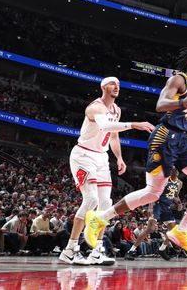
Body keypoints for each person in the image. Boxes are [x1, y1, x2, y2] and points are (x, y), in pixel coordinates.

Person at [85, 48, 187, 254]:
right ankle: (100, 218)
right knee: (152, 193)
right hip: (164, 137)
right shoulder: (178, 80)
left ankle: (181, 230)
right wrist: (182, 102)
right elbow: (160, 105)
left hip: (183, 139)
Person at [59, 77, 154, 265]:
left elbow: (113, 136)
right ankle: (70, 250)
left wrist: (119, 157)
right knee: (91, 199)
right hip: (83, 155)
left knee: (105, 204)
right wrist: (134, 124)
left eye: (119, 84)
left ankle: (97, 251)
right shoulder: (95, 107)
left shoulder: (116, 110)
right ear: (103, 87)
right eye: (112, 84)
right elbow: (105, 126)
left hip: (102, 158)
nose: (116, 87)